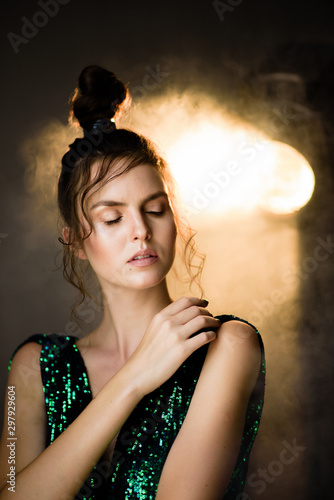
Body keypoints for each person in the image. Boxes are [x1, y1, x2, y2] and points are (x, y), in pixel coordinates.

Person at [0, 65, 265, 500]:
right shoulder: (33, 366)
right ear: (76, 243)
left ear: (175, 222)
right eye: (112, 217)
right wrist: (134, 377)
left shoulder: (228, 347)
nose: (140, 230)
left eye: (155, 209)